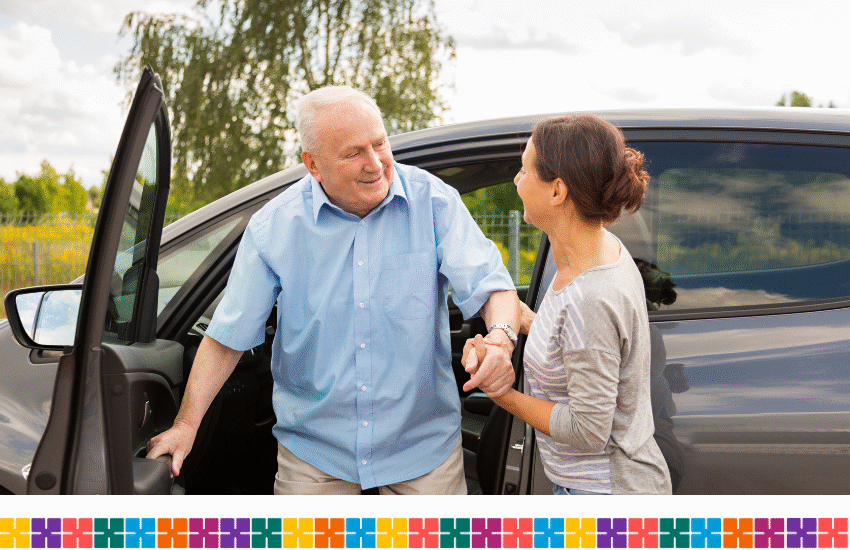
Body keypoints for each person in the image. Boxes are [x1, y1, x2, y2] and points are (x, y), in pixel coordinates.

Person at [147, 85, 520, 495]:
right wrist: (185, 426)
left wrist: (500, 341)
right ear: (313, 164)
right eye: (354, 153)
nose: (375, 163)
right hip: (316, 455)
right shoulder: (276, 227)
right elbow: (227, 338)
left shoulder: (433, 202)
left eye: (380, 144)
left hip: (422, 451)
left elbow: (492, 287)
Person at [464, 113, 672, 495]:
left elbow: (588, 431)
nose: (516, 180)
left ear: (558, 191)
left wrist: (501, 393)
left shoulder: (590, 296)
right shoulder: (604, 250)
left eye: (525, 170)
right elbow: (578, 338)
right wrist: (521, 322)